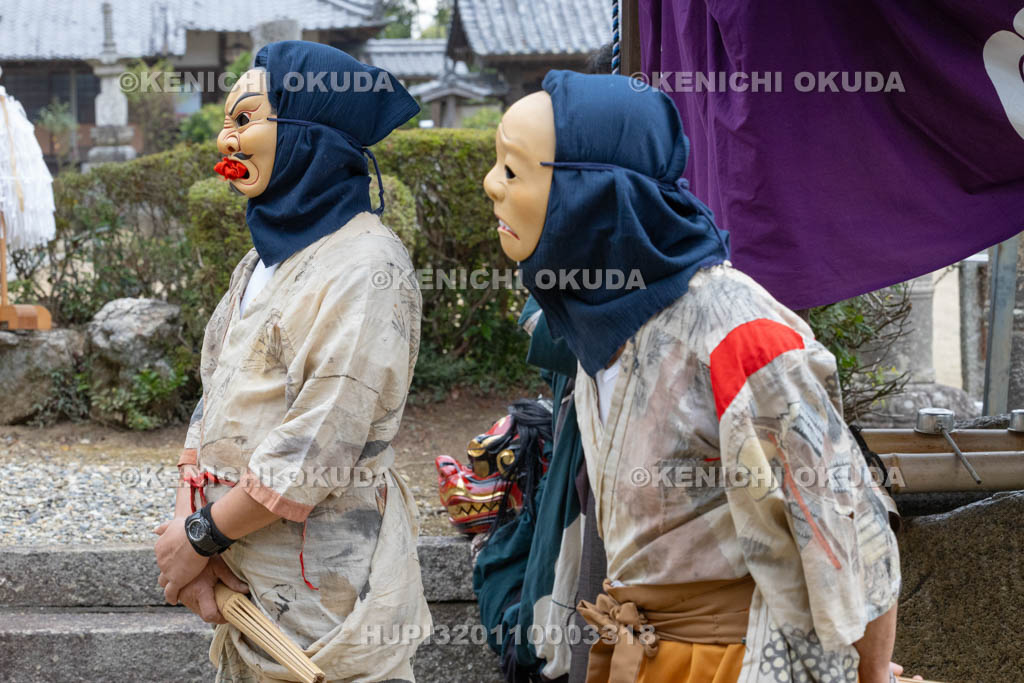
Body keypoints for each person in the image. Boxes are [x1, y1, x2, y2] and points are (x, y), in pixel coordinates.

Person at [483, 70, 907, 683]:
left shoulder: (738, 334)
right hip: (644, 655)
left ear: (591, 192)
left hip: (740, 663)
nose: (491, 185)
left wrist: (872, 676)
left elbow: (856, 538)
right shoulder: (602, 323)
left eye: (513, 169)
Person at [153, 41, 430, 682]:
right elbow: (215, 394)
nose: (225, 139)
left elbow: (319, 441)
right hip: (240, 570)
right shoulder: (260, 260)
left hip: (326, 593)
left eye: (245, 119)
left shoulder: (368, 265)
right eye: (226, 121)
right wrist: (194, 529)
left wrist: (200, 536)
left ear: (309, 135)